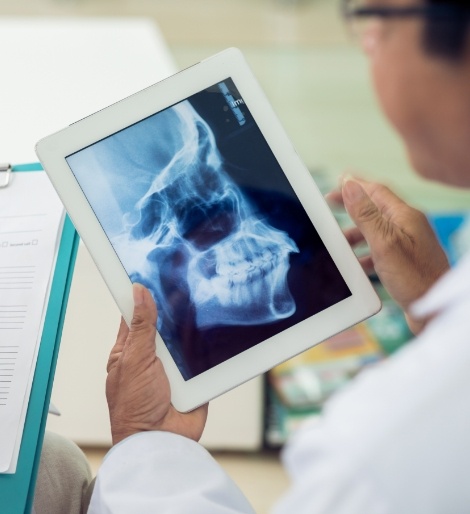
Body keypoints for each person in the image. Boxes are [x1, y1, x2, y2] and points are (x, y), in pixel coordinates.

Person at [84, 0, 470, 512]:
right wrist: (436, 312)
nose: (368, 39)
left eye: (375, 17)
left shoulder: (377, 452)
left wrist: (146, 441)